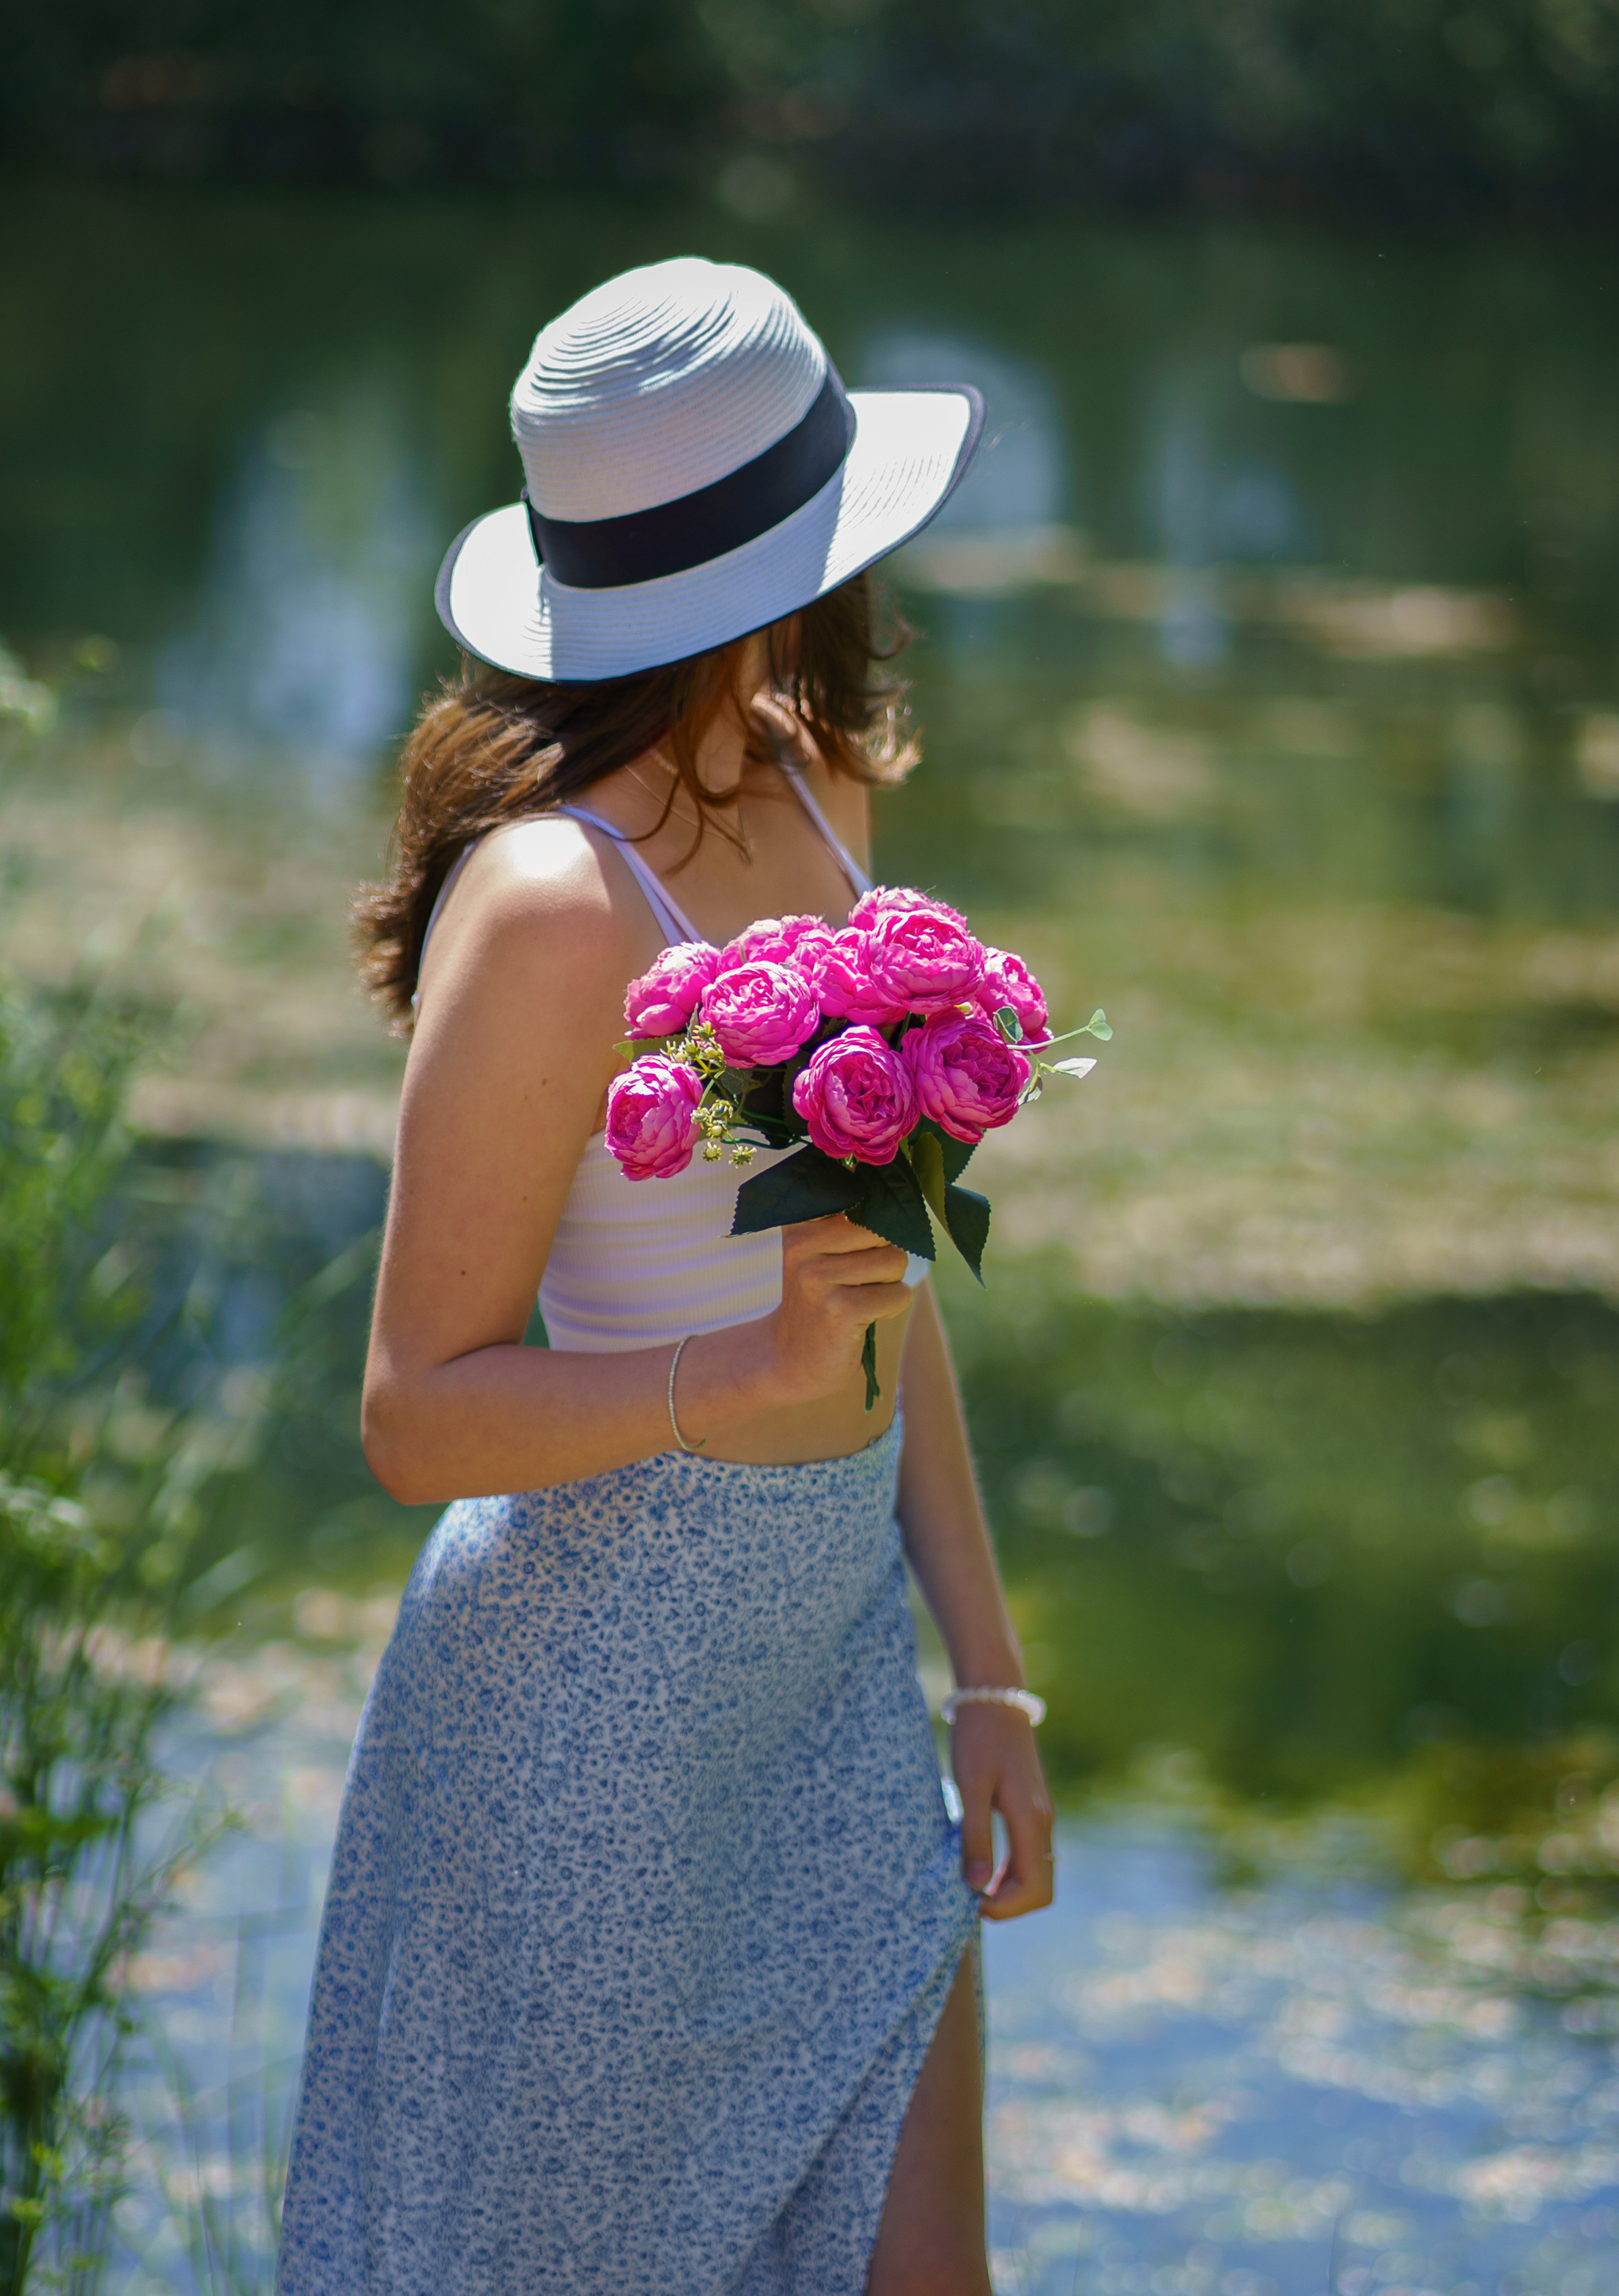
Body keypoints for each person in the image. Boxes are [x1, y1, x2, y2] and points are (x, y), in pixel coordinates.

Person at [278, 257, 1054, 2295]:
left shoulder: (822, 775)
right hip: (589, 1750)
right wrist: (734, 1384)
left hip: (830, 1696)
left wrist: (984, 1669)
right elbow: (413, 1411)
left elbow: (884, 1299)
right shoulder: (547, 902)